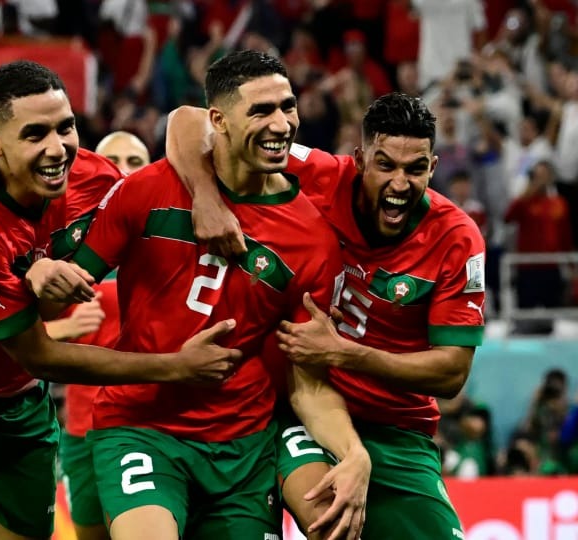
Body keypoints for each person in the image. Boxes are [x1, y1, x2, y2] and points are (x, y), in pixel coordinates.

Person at [0, 60, 244, 540]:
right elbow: (39, 355)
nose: (57, 148)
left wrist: (205, 198)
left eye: (65, 127)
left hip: (10, 393)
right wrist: (176, 367)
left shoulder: (91, 178)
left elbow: (187, 119)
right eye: (35, 134)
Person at [30, 50, 369, 540]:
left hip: (244, 443)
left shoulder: (313, 240)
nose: (281, 124)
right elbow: (54, 301)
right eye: (261, 111)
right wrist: (42, 274)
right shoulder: (146, 191)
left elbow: (308, 384)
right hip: (141, 425)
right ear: (219, 120)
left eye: (287, 106)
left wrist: (353, 452)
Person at [167, 91, 486, 539]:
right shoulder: (318, 176)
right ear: (360, 159)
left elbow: (451, 373)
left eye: (415, 169)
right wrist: (206, 198)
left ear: (432, 168)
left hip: (396, 429)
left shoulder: (456, 239)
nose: (399, 184)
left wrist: (344, 353)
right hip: (298, 410)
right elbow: (189, 119)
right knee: (333, 526)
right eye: (385, 165)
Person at [46, 130, 149, 540]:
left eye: (134, 162)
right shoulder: (66, 248)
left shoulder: (167, 245)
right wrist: (64, 328)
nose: (122, 171)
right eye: (113, 161)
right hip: (83, 428)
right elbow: (12, 333)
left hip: (152, 425)